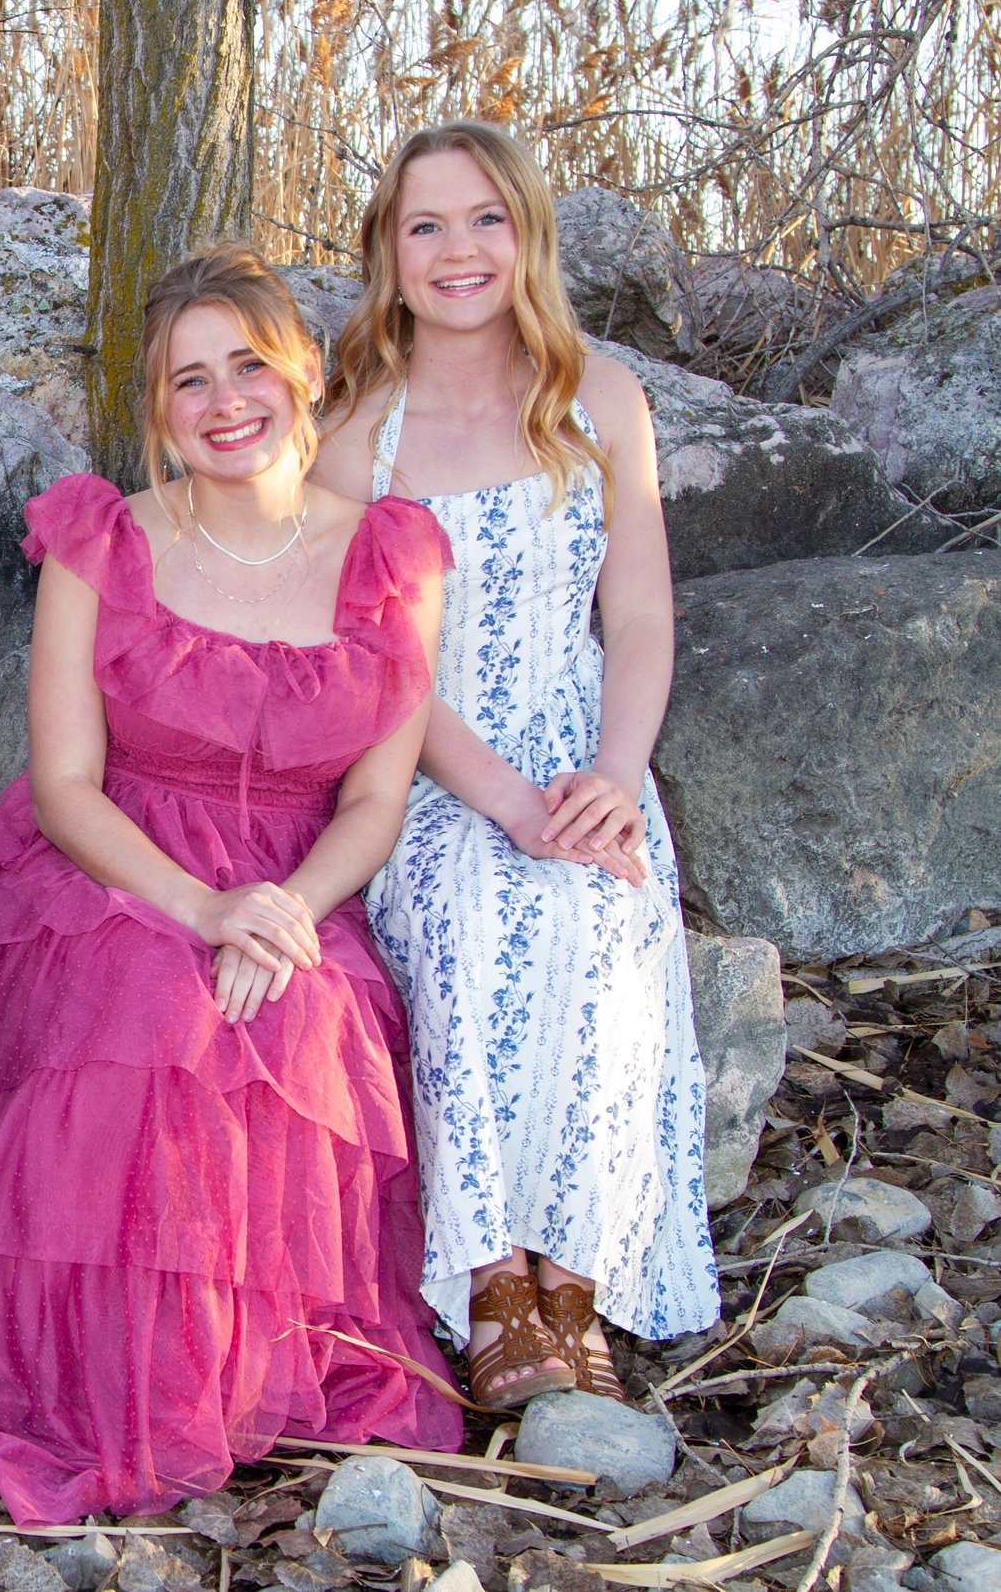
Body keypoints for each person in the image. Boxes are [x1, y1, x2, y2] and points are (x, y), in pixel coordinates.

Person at [0, 244, 464, 1524]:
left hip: (304, 874)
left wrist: (284, 909)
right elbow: (65, 785)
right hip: (121, 871)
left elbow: (375, 796)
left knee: (302, 1022)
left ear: (305, 367)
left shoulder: (394, 556)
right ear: (157, 411)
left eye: (249, 362)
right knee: (152, 1008)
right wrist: (198, 906)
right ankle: (123, 1377)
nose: (225, 398)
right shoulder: (102, 539)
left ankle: (246, 1369)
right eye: (189, 380)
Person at [313, 121, 720, 1408]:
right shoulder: (355, 440)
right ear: (387, 251)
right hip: (429, 775)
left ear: (525, 235)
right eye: (423, 225)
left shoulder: (599, 399)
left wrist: (611, 772)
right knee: (473, 915)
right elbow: (381, 671)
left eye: (483, 218)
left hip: (581, 755)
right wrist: (499, 801)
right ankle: (492, 1281)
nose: (456, 250)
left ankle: (575, 1278)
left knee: (600, 918)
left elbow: (639, 617)